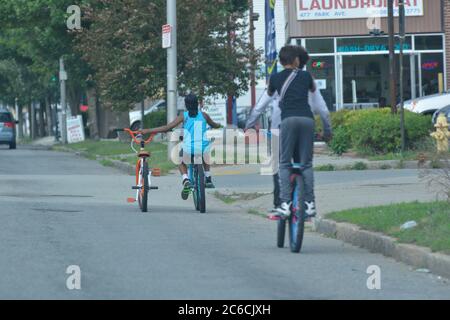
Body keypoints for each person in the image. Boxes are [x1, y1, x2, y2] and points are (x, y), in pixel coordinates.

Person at [245, 71, 332, 214]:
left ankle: (280, 203)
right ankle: (308, 201)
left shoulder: (278, 80)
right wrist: (327, 130)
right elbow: (322, 108)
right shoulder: (306, 82)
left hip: (279, 128)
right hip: (304, 125)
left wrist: (249, 124)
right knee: (304, 163)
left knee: (278, 165)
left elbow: (261, 105)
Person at [266, 45, 320, 218]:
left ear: (281, 61)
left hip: (288, 121)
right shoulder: (306, 76)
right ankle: (310, 204)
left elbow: (269, 94)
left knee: (284, 163)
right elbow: (313, 92)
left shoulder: (275, 78)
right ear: (296, 60)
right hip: (307, 119)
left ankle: (285, 204)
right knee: (306, 164)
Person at [142, 93, 222, 200]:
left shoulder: (184, 116)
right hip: (202, 149)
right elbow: (214, 125)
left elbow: (167, 127)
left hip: (189, 150)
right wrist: (218, 125)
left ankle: (186, 180)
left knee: (180, 158)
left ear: (186, 105)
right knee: (205, 151)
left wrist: (148, 130)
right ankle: (208, 178)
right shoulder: (204, 115)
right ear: (197, 103)